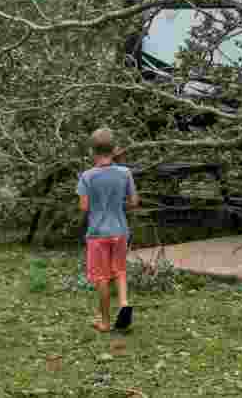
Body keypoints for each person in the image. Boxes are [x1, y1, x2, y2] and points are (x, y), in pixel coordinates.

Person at [77, 128, 140, 333]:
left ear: (92, 152)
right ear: (114, 149)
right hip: (120, 230)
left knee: (101, 277)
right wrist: (117, 204)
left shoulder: (87, 176)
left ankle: (104, 322)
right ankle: (124, 303)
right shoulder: (125, 173)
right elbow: (134, 202)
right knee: (120, 271)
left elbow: (84, 207)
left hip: (97, 233)